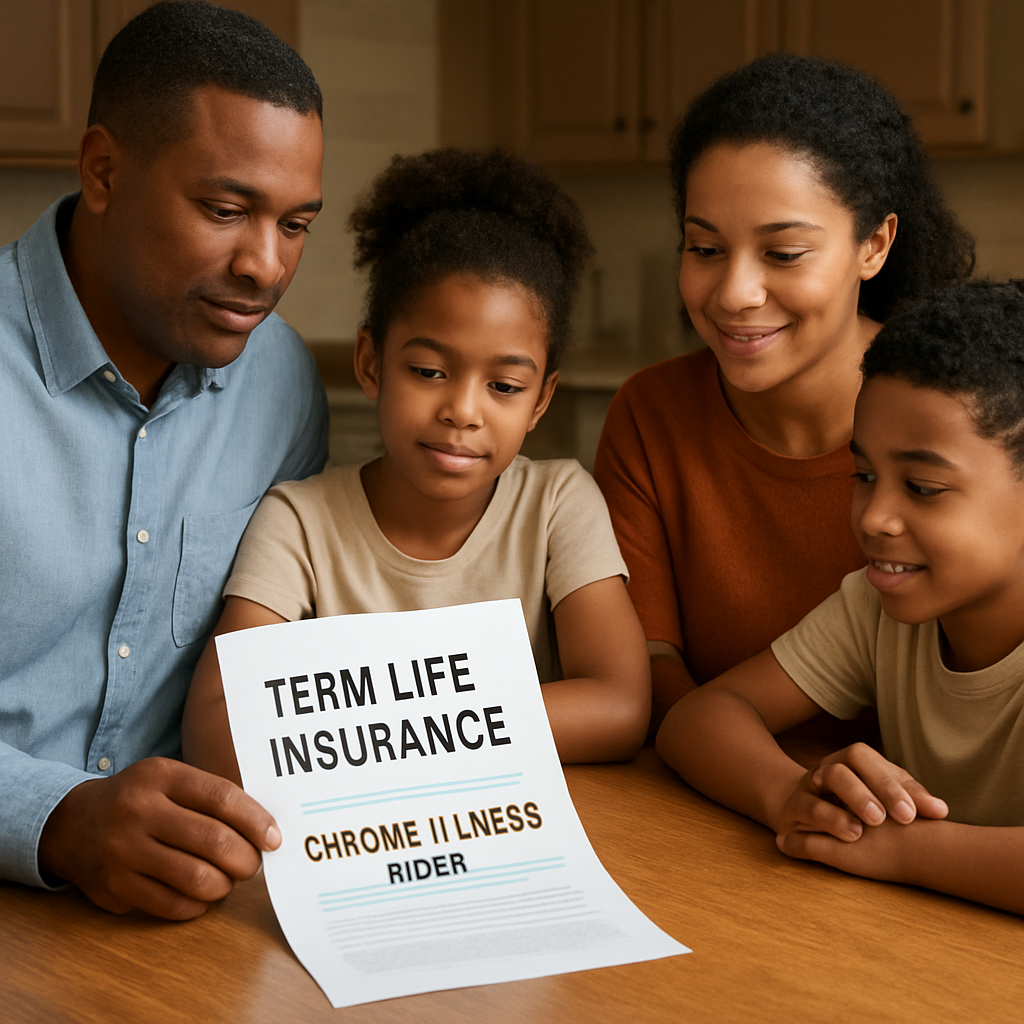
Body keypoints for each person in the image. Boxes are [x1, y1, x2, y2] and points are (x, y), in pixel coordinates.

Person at [0, 1, 328, 919]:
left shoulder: (283, 383)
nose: (266, 266)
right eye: (226, 210)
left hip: (194, 912)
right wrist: (58, 817)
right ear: (104, 169)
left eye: (296, 224)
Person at [183, 147, 651, 780]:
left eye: (505, 387)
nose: (462, 411)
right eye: (429, 372)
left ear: (542, 398)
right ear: (372, 364)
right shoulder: (299, 521)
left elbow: (620, 705)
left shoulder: (558, 504)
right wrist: (463, 736)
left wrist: (383, 740)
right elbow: (217, 727)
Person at [593, 54, 975, 735]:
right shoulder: (652, 415)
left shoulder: (964, 421)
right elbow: (647, 664)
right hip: (717, 798)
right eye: (705, 249)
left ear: (874, 244)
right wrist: (758, 778)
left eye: (784, 253)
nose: (736, 294)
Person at [657, 280, 1024, 914]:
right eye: (864, 475)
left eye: (924, 487)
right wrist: (793, 796)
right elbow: (698, 718)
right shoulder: (877, 608)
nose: (874, 516)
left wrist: (903, 851)